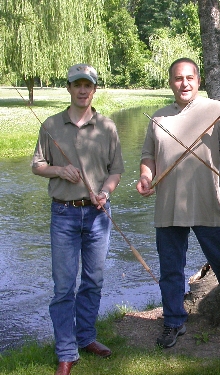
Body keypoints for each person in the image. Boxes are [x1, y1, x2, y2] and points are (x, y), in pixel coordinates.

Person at [136, 57, 220, 352]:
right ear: (170, 82)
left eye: (189, 78)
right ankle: (173, 321)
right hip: (168, 208)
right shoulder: (158, 118)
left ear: (198, 81)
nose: (184, 83)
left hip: (208, 205)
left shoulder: (216, 109)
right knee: (171, 270)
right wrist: (146, 177)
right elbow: (148, 157)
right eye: (177, 78)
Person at [31, 64, 125, 375]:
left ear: (94, 89)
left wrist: (106, 193)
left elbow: (116, 171)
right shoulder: (51, 125)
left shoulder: (107, 127)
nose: (83, 90)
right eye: (77, 85)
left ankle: (86, 337)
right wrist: (59, 170)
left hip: (97, 214)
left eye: (88, 85)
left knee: (94, 281)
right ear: (69, 88)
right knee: (63, 286)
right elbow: (37, 165)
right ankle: (66, 351)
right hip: (63, 214)